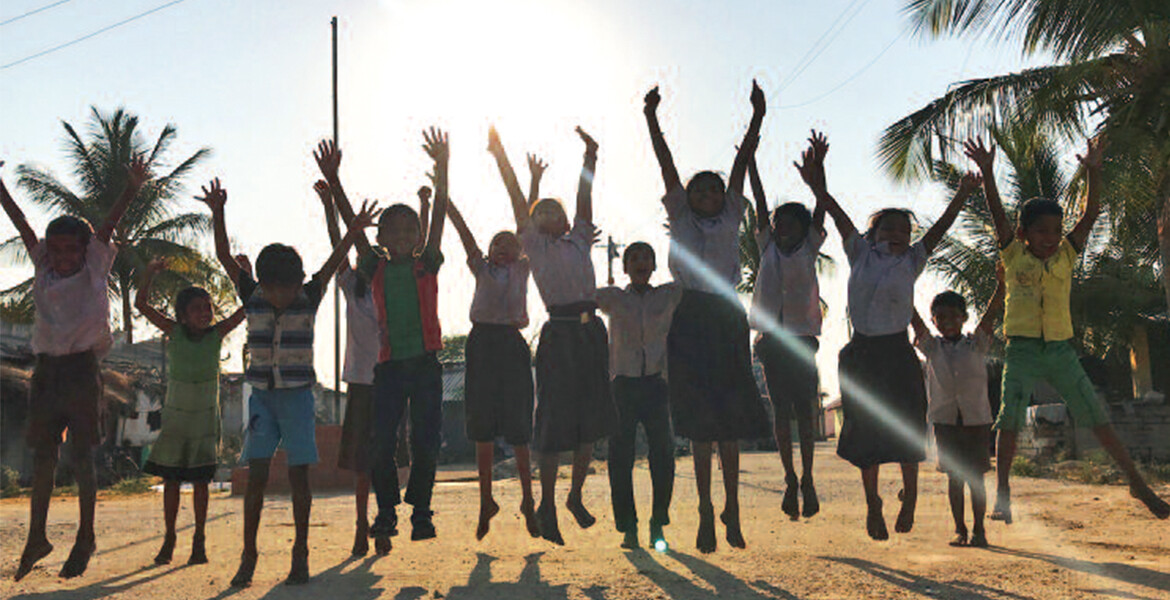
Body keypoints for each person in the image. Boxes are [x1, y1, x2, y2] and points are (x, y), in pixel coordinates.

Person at [964, 137, 1170, 521]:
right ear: (1024, 233)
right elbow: (997, 213)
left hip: (1061, 350)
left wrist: (1093, 171)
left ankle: (1136, 482)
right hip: (1022, 350)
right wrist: (989, 173)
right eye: (1042, 231)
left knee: (1097, 416)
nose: (1051, 238)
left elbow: (1089, 217)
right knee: (1008, 419)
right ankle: (1004, 489)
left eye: (1056, 231)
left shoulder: (1066, 255)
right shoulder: (1012, 253)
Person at [796, 130, 980, 540]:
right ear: (872, 235)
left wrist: (964, 194)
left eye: (904, 230)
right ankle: (873, 504)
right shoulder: (859, 252)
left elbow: (943, 228)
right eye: (888, 228)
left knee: (906, 427)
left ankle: (910, 496)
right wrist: (817, 180)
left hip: (897, 351)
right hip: (861, 353)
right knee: (865, 431)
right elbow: (837, 211)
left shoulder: (913, 260)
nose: (897, 234)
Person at [199, 177, 377, 586]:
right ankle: (249, 553)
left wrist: (352, 229)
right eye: (275, 288)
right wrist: (219, 212)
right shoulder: (251, 295)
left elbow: (334, 261)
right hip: (261, 398)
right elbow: (224, 255)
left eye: (289, 287)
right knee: (257, 475)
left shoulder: (309, 295)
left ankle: (301, 551)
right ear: (262, 282)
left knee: (300, 477)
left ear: (299, 282)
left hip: (297, 399)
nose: (282, 296)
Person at [4, 157, 147, 581]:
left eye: (72, 249)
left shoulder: (95, 266)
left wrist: (131, 187)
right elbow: (23, 224)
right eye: (58, 249)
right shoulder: (43, 265)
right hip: (46, 370)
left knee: (82, 456)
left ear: (85, 251)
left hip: (83, 370)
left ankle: (86, 535)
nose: (65, 257)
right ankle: (37, 535)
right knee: (44, 454)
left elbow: (106, 227)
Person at [643, 82, 770, 552]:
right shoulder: (678, 213)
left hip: (725, 311)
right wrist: (652, 118)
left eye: (714, 190)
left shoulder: (733, 212)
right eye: (700, 189)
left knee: (729, 421)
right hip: (689, 313)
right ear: (689, 196)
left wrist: (757, 116)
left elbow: (740, 164)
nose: (708, 194)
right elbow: (665, 163)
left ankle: (731, 508)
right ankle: (702, 509)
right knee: (699, 424)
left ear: (723, 197)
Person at [319, 129, 450, 554]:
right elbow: (353, 231)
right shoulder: (373, 267)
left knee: (427, 441)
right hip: (390, 368)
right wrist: (335, 183)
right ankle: (388, 511)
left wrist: (443, 167)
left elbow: (441, 214)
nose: (403, 234)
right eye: (393, 229)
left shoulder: (426, 264)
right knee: (380, 443)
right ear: (380, 239)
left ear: (417, 235)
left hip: (427, 366)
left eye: (410, 228)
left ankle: (422, 512)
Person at [488, 125, 617, 546]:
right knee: (553, 424)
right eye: (538, 212)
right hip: (559, 334)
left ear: (563, 220)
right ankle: (545, 502)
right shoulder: (534, 247)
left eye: (551, 211)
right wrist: (501, 155)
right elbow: (514, 197)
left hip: (591, 332)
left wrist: (590, 159)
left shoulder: (580, 239)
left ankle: (575, 497)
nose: (544, 216)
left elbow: (584, 199)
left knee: (589, 424)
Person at [135, 258, 245, 565]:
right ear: (182, 316)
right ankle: (169, 537)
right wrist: (149, 274)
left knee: (200, 482)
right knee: (171, 480)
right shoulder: (175, 332)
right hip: (177, 419)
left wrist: (243, 276)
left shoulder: (216, 335)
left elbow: (246, 308)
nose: (205, 313)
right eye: (197, 308)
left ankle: (199, 539)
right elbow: (141, 304)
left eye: (207, 307)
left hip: (205, 419)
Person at [445, 189, 539, 541]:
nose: (503, 248)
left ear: (519, 251)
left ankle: (529, 500)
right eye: (496, 244)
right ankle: (486, 501)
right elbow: (465, 234)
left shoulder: (523, 269)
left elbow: (524, 225)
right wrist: (449, 202)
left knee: (519, 428)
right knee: (481, 426)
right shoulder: (481, 268)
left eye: (509, 244)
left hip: (512, 344)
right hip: (482, 343)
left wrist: (531, 182)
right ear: (488, 252)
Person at [746, 146, 827, 520]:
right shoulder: (767, 249)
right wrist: (750, 162)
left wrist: (818, 173)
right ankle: (789, 477)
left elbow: (821, 208)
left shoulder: (810, 248)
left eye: (790, 224)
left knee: (806, 413)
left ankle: (808, 477)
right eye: (778, 224)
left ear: (803, 229)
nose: (781, 229)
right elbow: (760, 203)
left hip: (802, 339)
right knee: (781, 411)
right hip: (771, 342)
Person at [596, 242, 682, 549]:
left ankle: (658, 522)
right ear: (626, 267)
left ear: (655, 265)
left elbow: (688, 275)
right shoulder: (614, 298)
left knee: (663, 454)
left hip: (657, 383)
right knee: (620, 457)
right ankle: (628, 526)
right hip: (623, 384)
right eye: (634, 258)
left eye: (646, 257)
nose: (640, 262)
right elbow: (582, 295)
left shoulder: (669, 295)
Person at [311, 178, 380, 557]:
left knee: (384, 460)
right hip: (361, 383)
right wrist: (328, 206)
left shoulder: (391, 290)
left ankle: (382, 522)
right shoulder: (351, 286)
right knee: (360, 465)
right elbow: (339, 247)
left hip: (389, 381)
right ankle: (360, 524)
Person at [910, 276, 1004, 548]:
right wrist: (901, 285)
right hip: (945, 422)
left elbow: (991, 314)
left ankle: (979, 531)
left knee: (975, 478)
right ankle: (960, 530)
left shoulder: (977, 345)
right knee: (954, 479)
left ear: (964, 318)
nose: (947, 321)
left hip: (976, 420)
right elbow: (913, 319)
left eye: (953, 315)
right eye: (940, 317)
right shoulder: (931, 348)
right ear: (934, 321)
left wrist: (1000, 285)